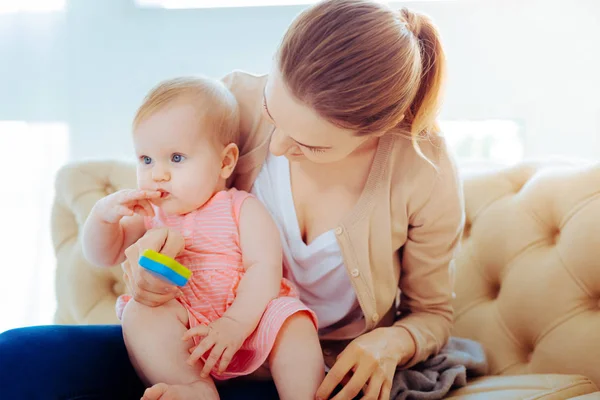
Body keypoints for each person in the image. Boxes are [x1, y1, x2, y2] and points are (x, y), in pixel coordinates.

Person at [0, 1, 464, 399]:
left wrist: (392, 342)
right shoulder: (233, 102)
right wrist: (144, 275)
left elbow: (432, 314)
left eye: (312, 145)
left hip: (315, 370)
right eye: (272, 112)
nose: (279, 146)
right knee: (18, 357)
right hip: (199, 345)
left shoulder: (424, 170)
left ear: (379, 129)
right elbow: (165, 198)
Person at [81, 76, 323, 400]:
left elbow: (264, 269)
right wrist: (102, 217)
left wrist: (235, 325)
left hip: (251, 330)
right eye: (146, 159)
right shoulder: (150, 215)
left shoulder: (242, 208)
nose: (158, 173)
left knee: (293, 321)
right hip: (186, 339)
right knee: (140, 315)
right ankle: (195, 388)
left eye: (176, 158)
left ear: (225, 162)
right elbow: (104, 255)